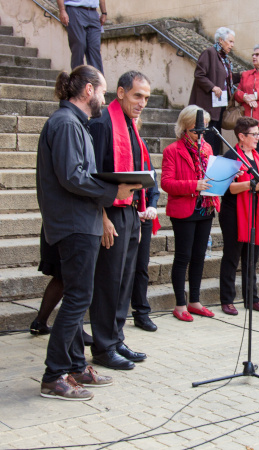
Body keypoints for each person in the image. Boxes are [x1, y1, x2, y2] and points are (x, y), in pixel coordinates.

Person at [36, 65, 138, 400]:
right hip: (74, 224)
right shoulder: (65, 123)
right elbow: (72, 176)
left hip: (83, 220)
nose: (105, 98)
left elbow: (79, 175)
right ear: (89, 90)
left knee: (81, 296)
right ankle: (54, 375)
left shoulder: (73, 123)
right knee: (79, 298)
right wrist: (114, 193)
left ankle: (77, 366)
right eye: (104, 91)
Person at [88, 71, 152, 370]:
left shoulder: (130, 126)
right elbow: (91, 175)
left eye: (147, 98)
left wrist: (138, 212)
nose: (142, 102)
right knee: (108, 283)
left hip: (129, 212)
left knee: (124, 281)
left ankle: (116, 338)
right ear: (121, 92)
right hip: (107, 212)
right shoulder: (102, 124)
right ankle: (102, 347)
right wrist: (101, 217)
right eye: (138, 95)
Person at [161, 105, 220, 322]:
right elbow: (166, 183)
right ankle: (179, 304)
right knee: (183, 257)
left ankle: (194, 301)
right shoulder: (172, 150)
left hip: (205, 208)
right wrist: (193, 185)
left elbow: (212, 176)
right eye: (196, 129)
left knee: (199, 256)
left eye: (203, 128)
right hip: (184, 210)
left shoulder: (207, 148)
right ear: (185, 127)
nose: (201, 133)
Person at [218, 117, 259, 315]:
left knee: (252, 258)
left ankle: (252, 298)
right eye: (255, 134)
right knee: (232, 257)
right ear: (241, 136)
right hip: (234, 212)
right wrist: (250, 185)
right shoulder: (231, 155)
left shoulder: (258, 156)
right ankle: (227, 299)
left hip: (256, 211)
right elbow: (226, 188)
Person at [130, 118, 160, 332]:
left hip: (144, 216)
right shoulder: (118, 145)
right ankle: (116, 315)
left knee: (141, 267)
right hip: (126, 214)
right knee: (122, 270)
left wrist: (152, 205)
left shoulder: (142, 146)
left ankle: (141, 313)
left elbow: (153, 184)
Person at [188, 27, 236, 156]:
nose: (232, 45)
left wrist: (245, 75)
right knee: (208, 136)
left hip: (218, 105)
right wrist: (213, 87)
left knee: (215, 135)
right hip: (207, 106)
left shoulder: (225, 59)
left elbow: (227, 78)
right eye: (230, 41)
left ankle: (213, 162)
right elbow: (199, 74)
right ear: (221, 40)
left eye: (233, 42)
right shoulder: (209, 53)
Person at [56, 0, 106, 73]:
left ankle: (97, 81)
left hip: (93, 12)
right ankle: (77, 79)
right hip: (75, 9)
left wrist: (104, 12)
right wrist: (62, 10)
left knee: (94, 48)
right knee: (79, 45)